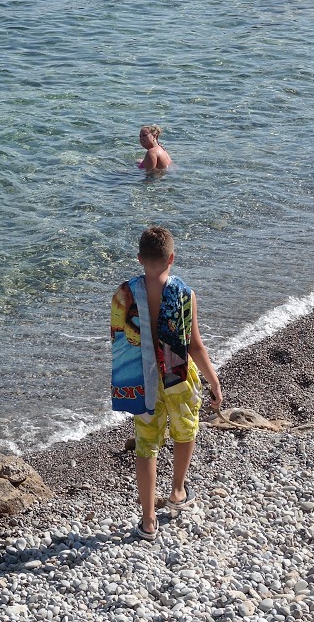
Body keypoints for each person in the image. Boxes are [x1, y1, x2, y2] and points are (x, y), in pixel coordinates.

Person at [109, 225, 222, 540]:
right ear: (172, 258)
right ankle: (176, 491)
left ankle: (147, 521)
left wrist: (124, 387)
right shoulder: (185, 294)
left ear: (139, 258)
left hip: (144, 382)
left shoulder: (123, 295)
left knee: (146, 446)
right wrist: (213, 380)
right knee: (186, 430)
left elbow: (121, 345)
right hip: (179, 375)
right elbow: (195, 345)